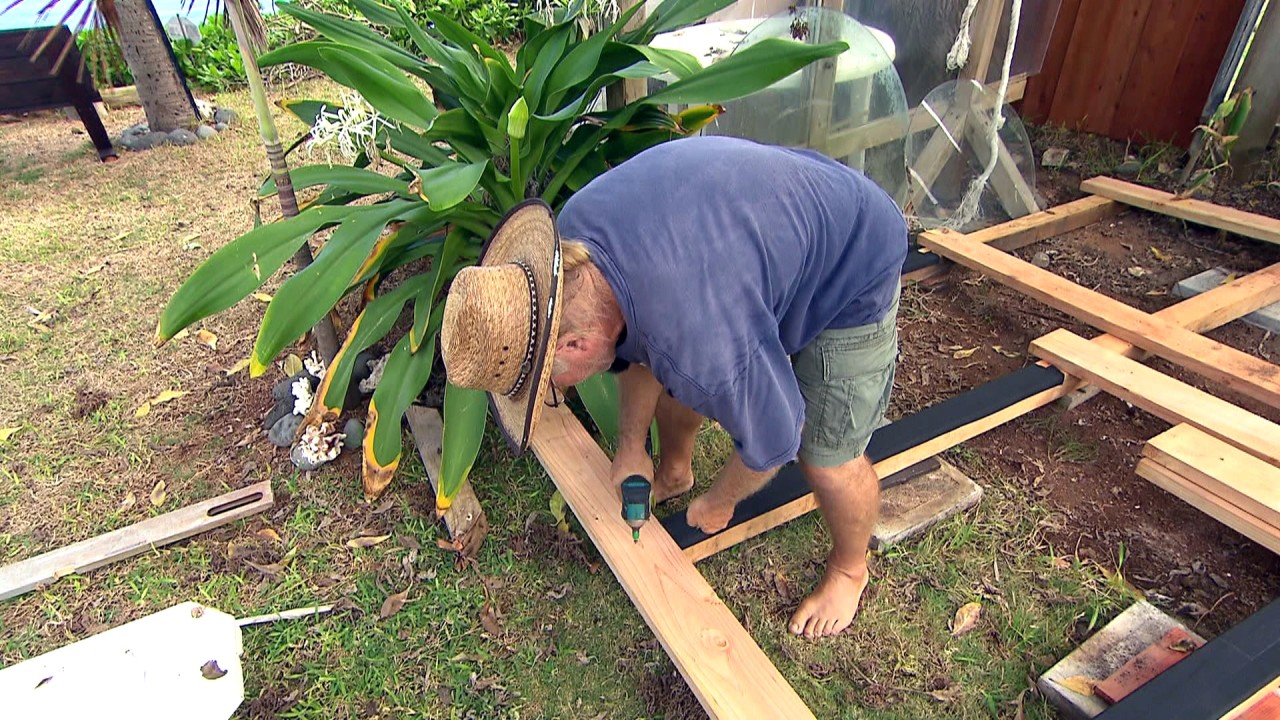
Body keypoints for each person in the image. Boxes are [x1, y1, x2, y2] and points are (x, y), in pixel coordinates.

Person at [440, 135, 906, 639]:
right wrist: (630, 446)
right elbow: (631, 339)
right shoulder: (568, 253)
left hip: (854, 256)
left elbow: (775, 440)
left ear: (572, 346)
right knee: (680, 367)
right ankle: (676, 471)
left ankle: (849, 570)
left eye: (549, 383)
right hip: (769, 217)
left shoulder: (700, 341)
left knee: (826, 455)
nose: (559, 390)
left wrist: (721, 502)